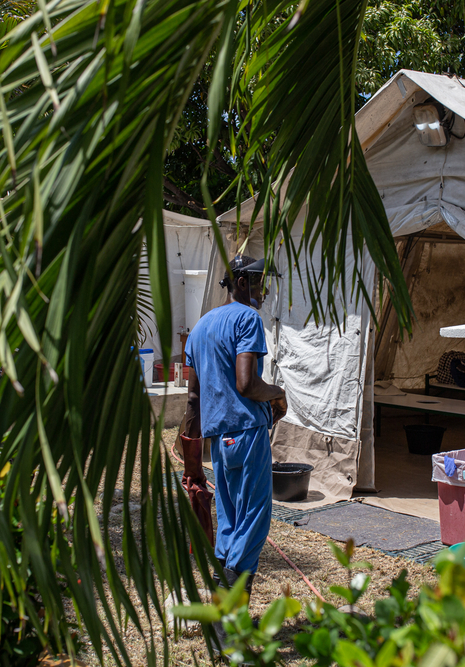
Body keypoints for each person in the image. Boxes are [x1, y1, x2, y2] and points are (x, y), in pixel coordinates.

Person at [179, 255, 287, 639]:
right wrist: (278, 393)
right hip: (247, 433)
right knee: (252, 525)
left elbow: (193, 398)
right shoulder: (247, 319)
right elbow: (246, 384)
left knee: (229, 522)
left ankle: (221, 618)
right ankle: (231, 631)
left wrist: (190, 447)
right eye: (258, 282)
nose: (263, 291)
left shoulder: (202, 326)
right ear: (241, 282)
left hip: (219, 442)